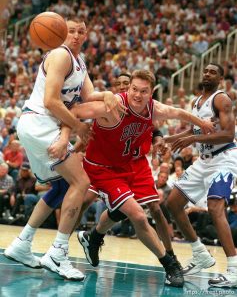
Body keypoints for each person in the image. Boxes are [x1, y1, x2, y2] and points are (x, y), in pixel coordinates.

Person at [4, 18, 124, 281]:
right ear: (59, 32)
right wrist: (78, 127)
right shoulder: (60, 55)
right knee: (81, 182)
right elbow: (51, 101)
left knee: (60, 187)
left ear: (86, 35)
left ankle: (22, 244)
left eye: (82, 31)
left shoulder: (79, 63)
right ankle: (57, 254)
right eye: (71, 30)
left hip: (38, 125)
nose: (77, 35)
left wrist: (107, 95)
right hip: (40, 122)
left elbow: (88, 96)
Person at [75, 69, 214, 288]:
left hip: (129, 164)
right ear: (128, 88)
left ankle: (93, 237)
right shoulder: (111, 107)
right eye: (134, 90)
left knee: (129, 210)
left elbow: (178, 113)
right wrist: (74, 130)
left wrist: (202, 123)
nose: (138, 95)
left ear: (151, 93)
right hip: (104, 169)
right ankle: (170, 264)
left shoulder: (153, 109)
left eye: (144, 91)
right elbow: (75, 110)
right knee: (138, 216)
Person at [166, 63, 237, 287]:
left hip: (224, 159)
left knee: (215, 207)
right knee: (173, 203)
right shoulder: (197, 101)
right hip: (204, 161)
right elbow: (195, 130)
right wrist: (167, 140)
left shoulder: (222, 99)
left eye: (213, 72)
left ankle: (234, 269)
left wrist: (194, 140)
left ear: (221, 78)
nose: (207, 73)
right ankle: (200, 253)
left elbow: (227, 134)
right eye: (205, 70)